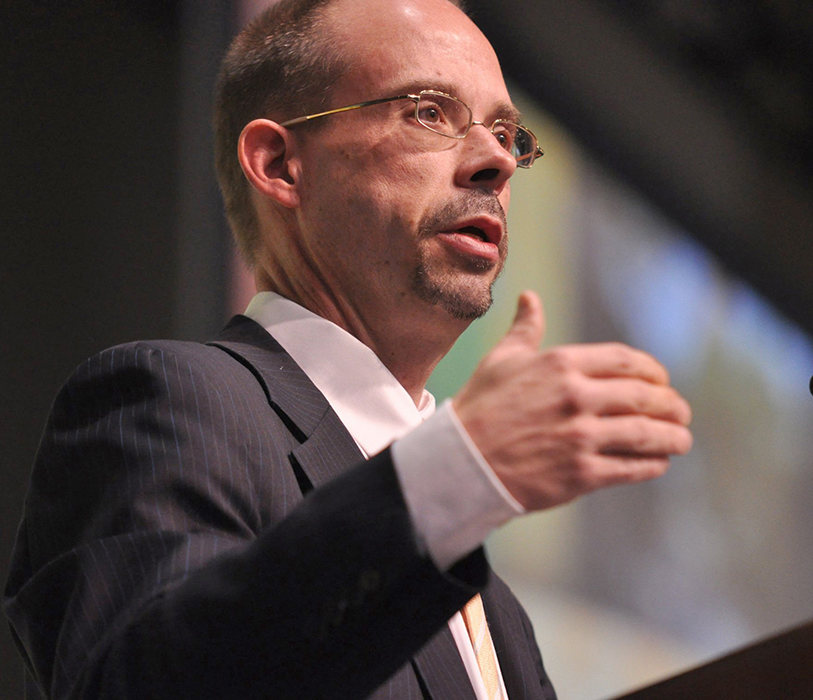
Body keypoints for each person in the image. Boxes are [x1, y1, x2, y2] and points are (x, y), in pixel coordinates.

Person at [3, 0, 693, 697]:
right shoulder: (171, 400)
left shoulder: (496, 613)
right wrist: (457, 471)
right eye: (428, 112)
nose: (496, 162)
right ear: (280, 164)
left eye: (508, 133)